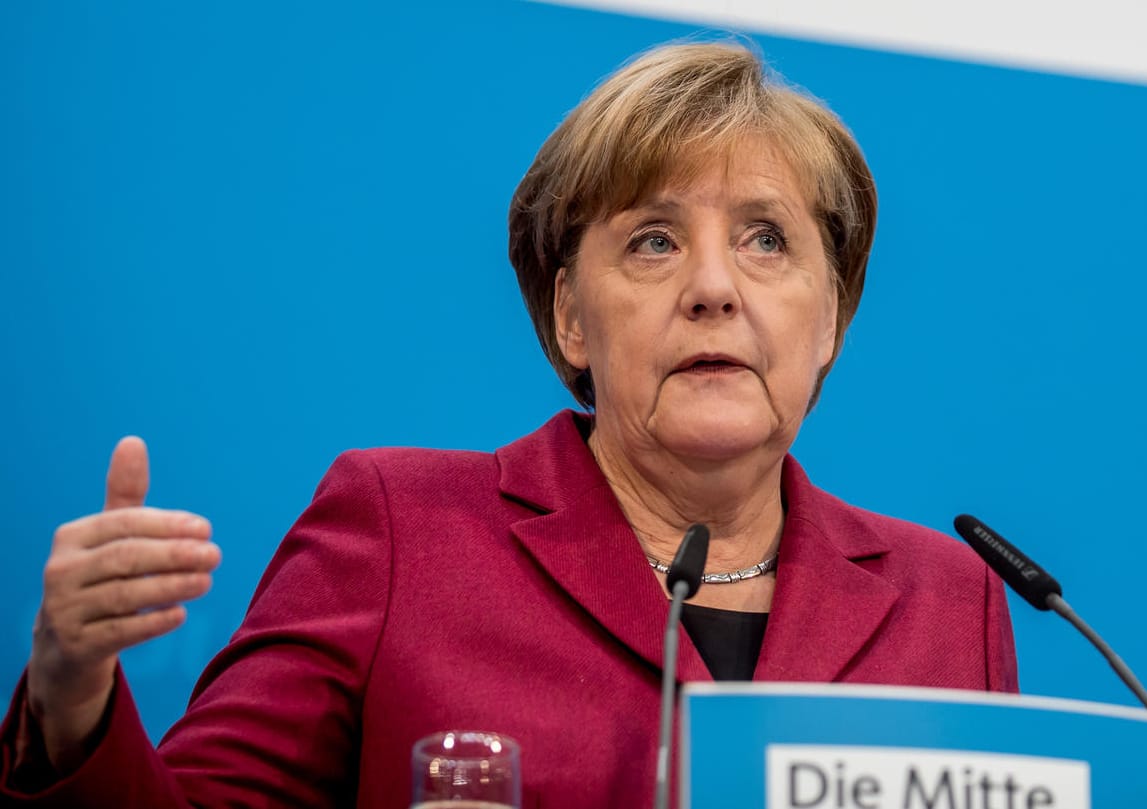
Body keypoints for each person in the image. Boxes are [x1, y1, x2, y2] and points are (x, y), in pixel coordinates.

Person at [0, 41, 1016, 808]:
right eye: (654, 241)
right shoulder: (402, 530)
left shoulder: (950, 605)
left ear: (829, 313)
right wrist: (72, 699)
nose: (713, 287)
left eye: (765, 240)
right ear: (571, 313)